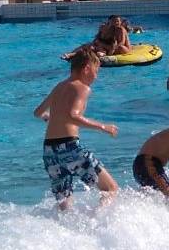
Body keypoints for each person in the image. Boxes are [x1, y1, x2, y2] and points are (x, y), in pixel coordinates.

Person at [33, 49, 119, 207]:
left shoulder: (59, 86)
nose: (96, 76)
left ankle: (67, 224)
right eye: (96, 71)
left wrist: (51, 118)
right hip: (70, 148)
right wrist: (103, 127)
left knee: (64, 203)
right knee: (110, 189)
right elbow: (73, 116)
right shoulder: (82, 88)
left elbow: (38, 112)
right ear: (86, 68)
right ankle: (97, 220)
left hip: (50, 152)